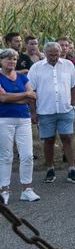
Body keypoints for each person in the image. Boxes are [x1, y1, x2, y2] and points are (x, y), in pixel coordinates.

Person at [28, 42, 75, 185]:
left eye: (56, 54)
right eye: (51, 54)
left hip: (65, 109)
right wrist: (33, 112)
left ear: (60, 52)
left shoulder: (68, 65)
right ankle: (50, 169)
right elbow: (31, 91)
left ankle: (71, 169)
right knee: (49, 140)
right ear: (45, 53)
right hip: (45, 110)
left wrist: (73, 104)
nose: (54, 57)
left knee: (67, 139)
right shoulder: (36, 68)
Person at [0, 48, 39, 203]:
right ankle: (4, 189)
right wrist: (24, 95)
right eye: (8, 59)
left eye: (14, 59)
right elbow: (2, 98)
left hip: (23, 119)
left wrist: (11, 97)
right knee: (6, 156)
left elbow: (33, 96)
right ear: (1, 60)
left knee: (27, 155)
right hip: (4, 119)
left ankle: (26, 189)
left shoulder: (23, 77)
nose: (12, 62)